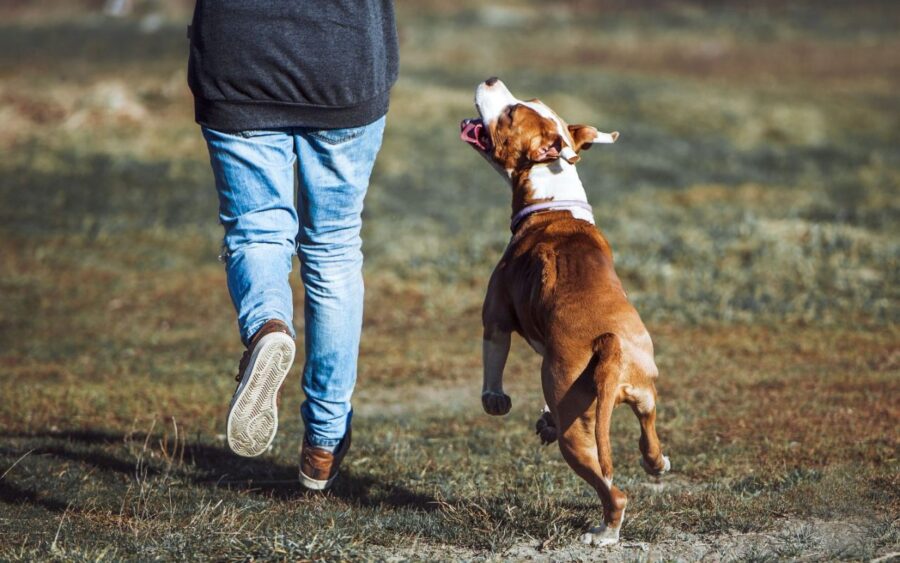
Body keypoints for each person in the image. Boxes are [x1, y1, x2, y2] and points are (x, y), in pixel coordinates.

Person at [187, 0, 398, 490]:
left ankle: (267, 327)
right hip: (343, 57)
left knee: (256, 230)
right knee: (333, 247)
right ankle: (323, 444)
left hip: (237, 55)